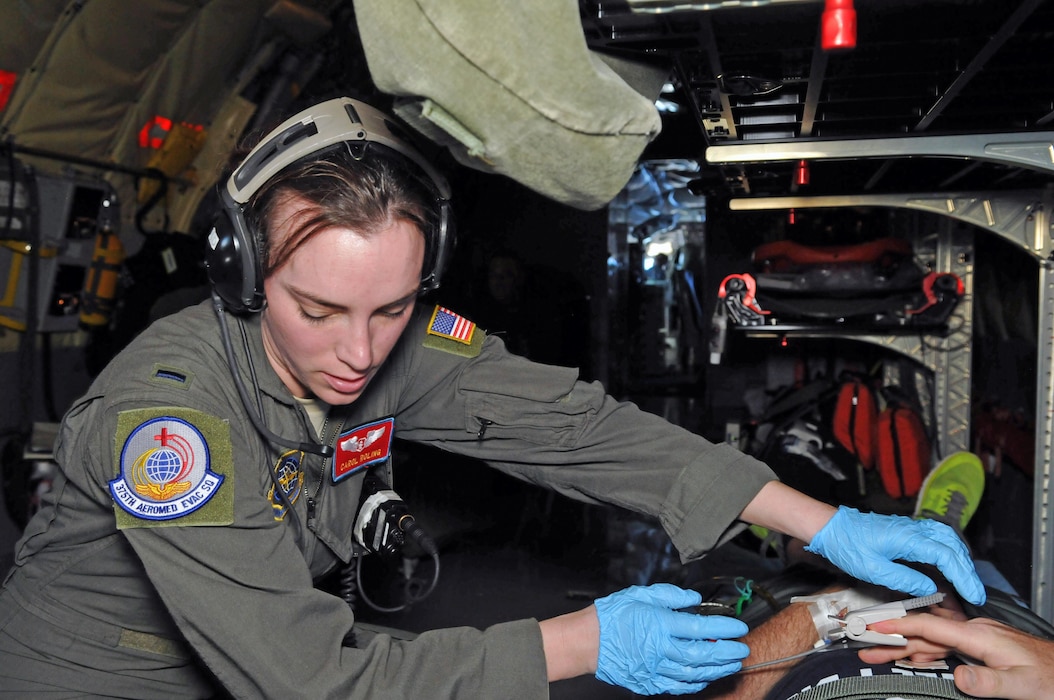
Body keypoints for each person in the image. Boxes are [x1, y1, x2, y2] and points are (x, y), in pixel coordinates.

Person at [0, 97, 986, 698]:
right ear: (242, 272)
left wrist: (823, 522)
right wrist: (584, 639)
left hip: (265, 658)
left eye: (392, 307)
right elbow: (309, 682)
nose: (358, 352)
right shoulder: (173, 429)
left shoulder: (393, 341)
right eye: (319, 307)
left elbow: (574, 429)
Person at [696, 451, 1053, 700]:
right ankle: (938, 527)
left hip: (804, 649)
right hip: (981, 657)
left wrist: (841, 603)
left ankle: (784, 537)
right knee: (962, 576)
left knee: (820, 568)